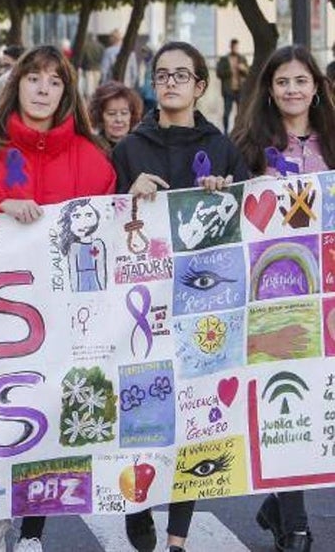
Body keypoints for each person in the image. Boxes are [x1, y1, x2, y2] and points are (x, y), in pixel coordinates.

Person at [0, 46, 113, 552]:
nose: (42, 89)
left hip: (65, 317)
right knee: (3, 421)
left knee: (53, 421)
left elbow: (109, 228)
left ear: (66, 93)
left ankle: (31, 529)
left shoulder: (92, 157)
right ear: (16, 85)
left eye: (54, 81)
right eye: (33, 78)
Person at [111, 41, 249, 552]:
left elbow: (245, 217)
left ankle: (178, 539)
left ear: (199, 86)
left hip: (201, 304)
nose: (170, 82)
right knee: (141, 412)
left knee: (194, 418)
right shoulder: (128, 148)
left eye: (181, 74)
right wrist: (127, 194)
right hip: (138, 305)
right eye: (161, 74)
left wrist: (224, 189)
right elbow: (100, 220)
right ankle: (137, 505)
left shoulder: (222, 146)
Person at [231, 49, 330, 552]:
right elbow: (224, 207)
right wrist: (249, 187)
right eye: (283, 82)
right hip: (276, 296)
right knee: (286, 406)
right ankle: (295, 524)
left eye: (301, 80)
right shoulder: (248, 144)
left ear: (316, 86)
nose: (292, 89)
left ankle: (276, 507)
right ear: (269, 90)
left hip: (330, 290)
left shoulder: (333, 141)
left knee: (322, 401)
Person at [88, 81, 143, 147]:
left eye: (124, 113)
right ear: (100, 116)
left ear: (132, 115)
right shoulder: (92, 147)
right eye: (112, 114)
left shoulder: (140, 147)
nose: (119, 120)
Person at [216, 37, 249, 133]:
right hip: (228, 90)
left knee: (241, 113)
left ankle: (239, 131)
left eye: (237, 47)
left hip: (240, 90)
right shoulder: (224, 59)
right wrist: (229, 71)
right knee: (226, 113)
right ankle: (225, 131)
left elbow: (248, 74)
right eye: (234, 47)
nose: (236, 49)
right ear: (231, 47)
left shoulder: (242, 58)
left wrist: (243, 69)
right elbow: (219, 73)